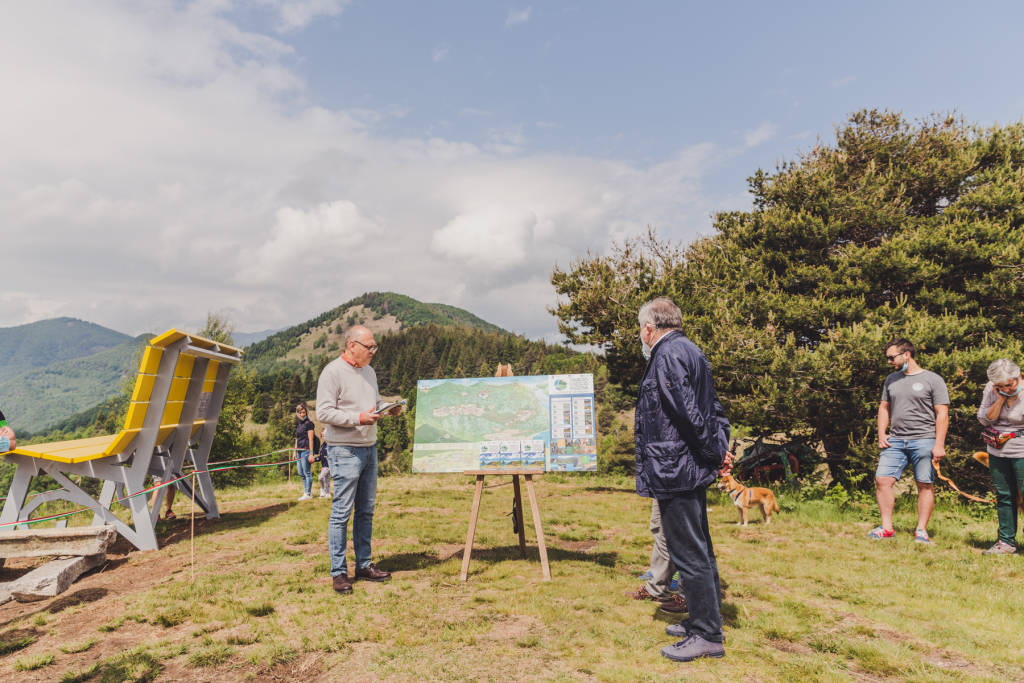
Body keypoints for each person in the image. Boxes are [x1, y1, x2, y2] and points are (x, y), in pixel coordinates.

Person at [634, 297, 731, 663]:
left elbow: (689, 414)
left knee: (689, 553)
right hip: (684, 465)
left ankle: (707, 634)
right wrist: (719, 448)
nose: (640, 337)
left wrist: (712, 453)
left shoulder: (668, 354)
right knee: (697, 548)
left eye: (640, 330)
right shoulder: (689, 350)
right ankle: (703, 621)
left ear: (649, 328)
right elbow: (713, 408)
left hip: (678, 468)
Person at [316, 325, 402, 595]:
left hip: (369, 447)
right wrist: (358, 419)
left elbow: (373, 403)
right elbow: (324, 412)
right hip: (344, 450)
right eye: (369, 347)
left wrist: (389, 409)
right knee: (342, 512)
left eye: (374, 346)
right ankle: (339, 573)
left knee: (366, 510)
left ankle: (364, 564)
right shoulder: (332, 372)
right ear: (351, 345)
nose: (373, 351)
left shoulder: (369, 372)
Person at [872, 338, 949, 543]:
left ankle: (921, 530)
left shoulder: (933, 379)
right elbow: (884, 408)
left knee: (925, 484)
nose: (889, 362)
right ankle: (887, 528)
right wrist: (881, 433)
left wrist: (939, 444)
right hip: (895, 441)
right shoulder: (891, 380)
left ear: (906, 354)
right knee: (883, 480)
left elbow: (942, 413)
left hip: (924, 440)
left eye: (892, 357)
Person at [976, 358, 1024, 554]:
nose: (1006, 388)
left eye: (1009, 384)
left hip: (1022, 449)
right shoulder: (991, 389)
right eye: (1000, 386)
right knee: (1004, 496)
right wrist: (1000, 399)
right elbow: (984, 419)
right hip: (997, 449)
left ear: (1018, 376)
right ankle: (1007, 542)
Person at [627, 501, 685, 613]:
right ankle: (657, 589)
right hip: (666, 488)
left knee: (668, 530)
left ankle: (687, 597)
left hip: (673, 489)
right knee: (660, 528)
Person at [294, 402, 316, 501]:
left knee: (307, 472)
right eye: (300, 413)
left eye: (304, 412)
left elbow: (311, 439)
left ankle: (308, 493)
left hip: (306, 450)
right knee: (300, 472)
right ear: (298, 413)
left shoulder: (309, 424)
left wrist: (311, 454)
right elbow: (296, 439)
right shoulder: (299, 424)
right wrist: (294, 452)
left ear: (306, 412)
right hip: (298, 451)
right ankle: (305, 492)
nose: (302, 414)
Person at [313, 427, 331, 498]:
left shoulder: (330, 445)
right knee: (326, 479)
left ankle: (323, 491)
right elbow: (321, 457)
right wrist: (314, 459)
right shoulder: (322, 445)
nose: (324, 437)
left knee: (320, 478)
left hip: (329, 466)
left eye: (325, 435)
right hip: (324, 466)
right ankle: (327, 493)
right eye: (322, 436)